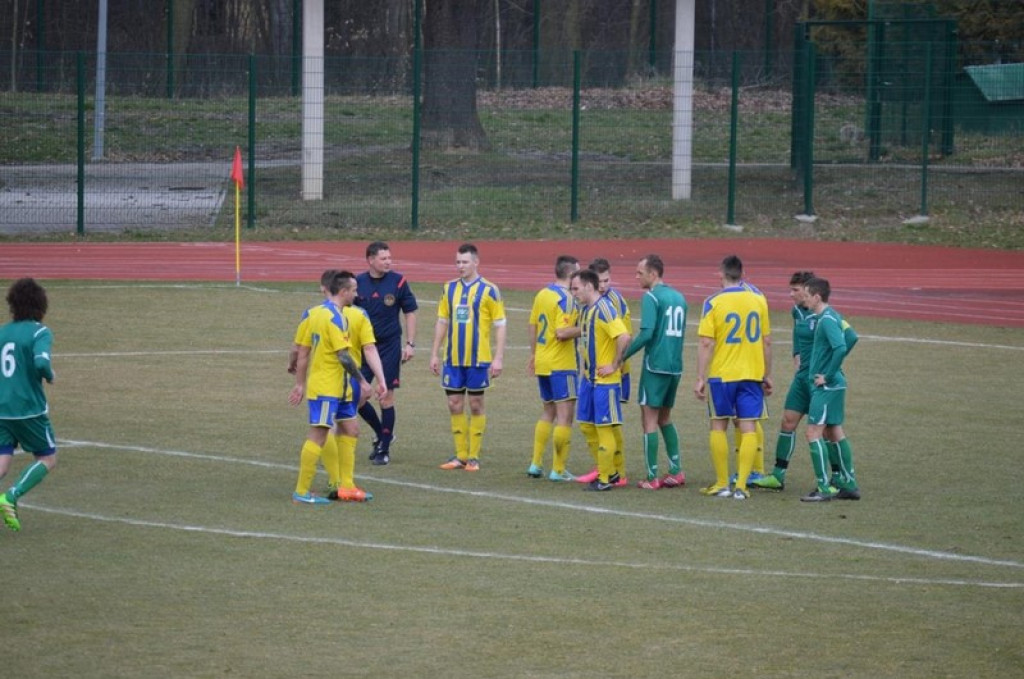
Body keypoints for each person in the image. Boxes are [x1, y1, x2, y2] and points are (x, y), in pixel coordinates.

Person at [289, 271, 384, 504]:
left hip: (340, 389)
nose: (356, 294)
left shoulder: (312, 313)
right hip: (327, 388)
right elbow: (343, 356)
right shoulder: (334, 317)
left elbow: (299, 352)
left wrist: (299, 382)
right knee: (319, 434)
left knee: (351, 429)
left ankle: (347, 486)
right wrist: (363, 381)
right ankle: (301, 491)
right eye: (353, 290)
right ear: (343, 292)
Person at [693, 255, 773, 500]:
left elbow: (707, 342)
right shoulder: (759, 299)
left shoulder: (713, 302)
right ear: (742, 274)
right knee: (748, 426)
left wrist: (700, 377)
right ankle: (741, 486)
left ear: (721, 273)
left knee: (719, 424)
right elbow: (766, 340)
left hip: (722, 374)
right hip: (752, 373)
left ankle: (721, 483)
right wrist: (767, 374)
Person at [430, 243, 507, 471]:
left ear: (476, 262)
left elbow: (500, 324)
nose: (460, 266)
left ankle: (473, 456)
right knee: (454, 404)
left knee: (475, 404)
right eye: (457, 262)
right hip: (453, 359)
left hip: (478, 359)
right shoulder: (449, 288)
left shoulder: (490, 290)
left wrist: (498, 357)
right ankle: (460, 456)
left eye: (464, 262)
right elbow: (442, 321)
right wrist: (435, 353)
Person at [620, 255, 688, 490]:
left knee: (648, 419)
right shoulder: (679, 297)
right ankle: (676, 471)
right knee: (664, 417)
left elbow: (646, 334)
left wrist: (622, 357)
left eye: (640, 272)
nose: (636, 277)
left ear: (653, 274)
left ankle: (652, 477)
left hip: (655, 366)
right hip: (675, 367)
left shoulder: (651, 297)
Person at [0, 278, 57, 532]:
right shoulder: (39, 332)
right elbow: (42, 363)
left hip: (1, 408)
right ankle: (11, 495)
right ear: (40, 304)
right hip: (29, 409)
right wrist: (50, 375)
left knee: (2, 458)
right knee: (47, 458)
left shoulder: (2, 333)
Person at [355, 241, 419, 466]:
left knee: (386, 396)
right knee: (359, 396)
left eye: (389, 258)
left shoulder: (398, 281)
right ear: (370, 260)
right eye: (383, 258)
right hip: (363, 347)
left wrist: (410, 344)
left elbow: (410, 312)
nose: (388, 262)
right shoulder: (357, 283)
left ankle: (383, 449)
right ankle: (383, 433)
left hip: (389, 346)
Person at [799, 277, 861, 502]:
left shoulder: (825, 320)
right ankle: (849, 483)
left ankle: (824, 487)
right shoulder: (833, 315)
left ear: (817, 297)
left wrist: (828, 374)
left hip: (827, 387)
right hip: (835, 386)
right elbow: (852, 336)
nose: (804, 300)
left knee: (813, 433)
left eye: (806, 296)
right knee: (835, 432)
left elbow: (841, 346)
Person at [569, 269, 631, 491]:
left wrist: (614, 364)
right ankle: (611, 471)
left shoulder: (604, 308)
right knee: (586, 426)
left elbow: (623, 336)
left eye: (575, 288)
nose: (573, 293)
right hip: (588, 380)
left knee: (604, 428)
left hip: (605, 381)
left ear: (588, 286)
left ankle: (605, 479)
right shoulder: (586, 311)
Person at [526, 255, 581, 482]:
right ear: (570, 275)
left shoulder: (543, 294)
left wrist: (534, 354)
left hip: (544, 361)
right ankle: (558, 469)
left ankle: (535, 463)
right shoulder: (567, 299)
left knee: (548, 411)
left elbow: (533, 325)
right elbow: (562, 332)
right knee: (565, 416)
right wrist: (586, 326)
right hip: (562, 364)